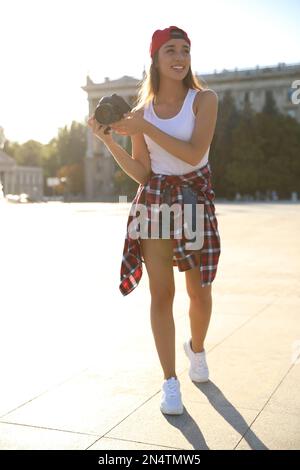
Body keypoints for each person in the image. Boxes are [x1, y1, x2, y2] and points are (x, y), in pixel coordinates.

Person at [88, 26, 221, 416]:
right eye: (170, 51)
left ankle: (196, 350)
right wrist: (110, 141)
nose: (179, 57)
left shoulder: (204, 100)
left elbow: (195, 154)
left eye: (185, 50)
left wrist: (145, 128)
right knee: (162, 295)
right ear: (156, 59)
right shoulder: (142, 112)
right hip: (156, 203)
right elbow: (144, 173)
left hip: (194, 200)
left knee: (200, 292)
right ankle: (170, 382)